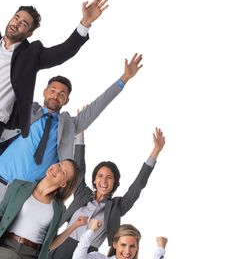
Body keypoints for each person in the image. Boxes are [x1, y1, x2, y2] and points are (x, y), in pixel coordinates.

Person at [27, 127, 165, 259]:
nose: (104, 181)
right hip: (62, 247)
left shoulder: (118, 206)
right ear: (94, 180)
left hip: (86, 255)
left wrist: (155, 152)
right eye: (100, 176)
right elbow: (79, 166)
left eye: (109, 178)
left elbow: (137, 187)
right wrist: (80, 135)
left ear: (115, 183)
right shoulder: (82, 193)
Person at [0, 53, 143, 203]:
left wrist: (124, 79)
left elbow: (98, 106)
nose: (56, 96)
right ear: (44, 92)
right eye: (52, 90)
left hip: (24, 197)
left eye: (62, 94)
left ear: (66, 100)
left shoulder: (69, 126)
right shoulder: (26, 110)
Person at [0, 0, 108, 138]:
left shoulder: (31, 54)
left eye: (24, 24)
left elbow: (65, 51)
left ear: (29, 33)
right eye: (16, 18)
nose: (16, 23)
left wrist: (85, 22)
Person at [0, 159, 90, 259]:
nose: (57, 168)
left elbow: (48, 245)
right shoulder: (18, 186)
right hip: (6, 247)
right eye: (59, 164)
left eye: (63, 171)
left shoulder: (58, 209)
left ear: (63, 184)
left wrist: (73, 227)